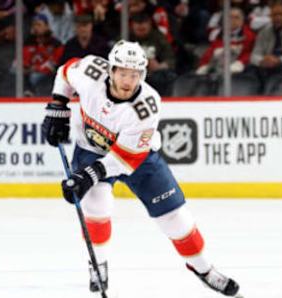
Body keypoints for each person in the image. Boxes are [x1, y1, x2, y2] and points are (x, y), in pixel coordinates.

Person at [42, 40, 241, 296]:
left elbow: (126, 158)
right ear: (111, 70)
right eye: (123, 73)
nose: (128, 80)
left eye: (135, 74)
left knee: (176, 220)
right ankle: (98, 264)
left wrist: (88, 176)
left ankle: (204, 270)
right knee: (96, 205)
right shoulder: (90, 70)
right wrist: (58, 106)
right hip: (92, 149)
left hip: (138, 157)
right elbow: (65, 72)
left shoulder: (147, 105)